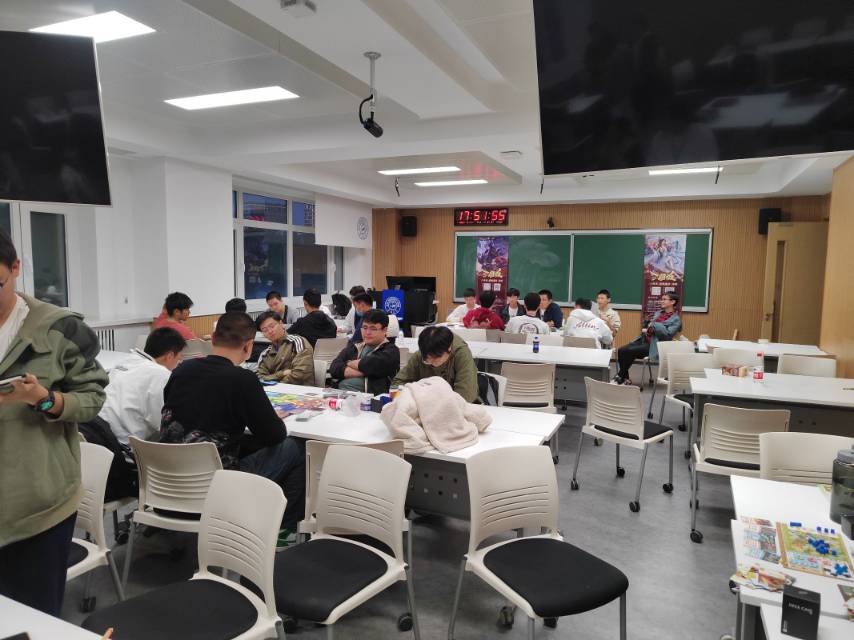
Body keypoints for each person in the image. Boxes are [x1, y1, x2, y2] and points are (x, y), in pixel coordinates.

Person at [0, 230, 108, 615]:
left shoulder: (59, 329)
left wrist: (44, 399)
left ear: (16, 268)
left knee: (34, 618)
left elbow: (92, 399)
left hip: (38, 507)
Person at [159, 312, 305, 541]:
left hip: (165, 486)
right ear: (248, 346)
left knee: (246, 442)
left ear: (213, 339)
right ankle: (283, 530)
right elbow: (274, 435)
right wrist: (265, 415)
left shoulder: (181, 371)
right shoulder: (242, 379)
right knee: (296, 447)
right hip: (217, 488)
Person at [99, 327, 187, 445]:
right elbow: (162, 423)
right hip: (122, 445)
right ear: (170, 356)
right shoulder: (161, 374)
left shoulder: (126, 361)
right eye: (179, 359)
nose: (178, 364)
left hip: (96, 431)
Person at [392, 326, 479, 402]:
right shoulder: (421, 355)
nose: (432, 363)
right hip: (425, 404)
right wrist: (403, 399)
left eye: (436, 358)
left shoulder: (461, 354)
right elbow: (397, 383)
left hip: (456, 407)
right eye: (427, 360)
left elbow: (465, 396)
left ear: (449, 348)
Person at [614, 292, 682, 385]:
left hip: (655, 346)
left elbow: (667, 335)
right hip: (644, 340)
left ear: (672, 302)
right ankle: (625, 378)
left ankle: (620, 376)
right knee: (621, 350)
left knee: (629, 351)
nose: (661, 301)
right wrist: (646, 322)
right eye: (661, 299)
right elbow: (649, 328)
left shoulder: (676, 320)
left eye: (664, 299)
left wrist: (655, 324)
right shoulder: (658, 313)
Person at [329, 309, 400, 394]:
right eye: (365, 328)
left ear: (384, 330)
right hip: (340, 396)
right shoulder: (355, 346)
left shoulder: (391, 351)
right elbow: (334, 368)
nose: (367, 332)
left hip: (370, 398)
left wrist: (348, 362)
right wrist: (366, 371)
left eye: (373, 329)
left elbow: (372, 365)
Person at [255, 311, 314, 385]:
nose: (270, 331)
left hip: (300, 389)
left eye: (272, 326)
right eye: (265, 330)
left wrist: (275, 384)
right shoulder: (265, 354)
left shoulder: (297, 342)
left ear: (281, 323)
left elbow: (300, 374)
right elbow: (260, 378)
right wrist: (282, 373)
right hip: (275, 390)